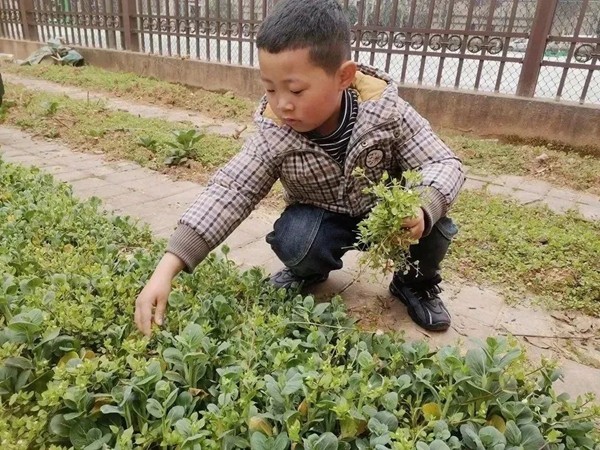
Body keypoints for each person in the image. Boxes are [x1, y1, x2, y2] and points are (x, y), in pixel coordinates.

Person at [134, 0, 464, 336]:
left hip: (388, 218)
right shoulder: (275, 133)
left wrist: (422, 205)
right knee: (295, 238)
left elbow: (441, 162)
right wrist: (168, 267)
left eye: (295, 90)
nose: (282, 104)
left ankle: (414, 283)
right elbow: (231, 190)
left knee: (434, 224)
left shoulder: (385, 112)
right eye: (270, 89)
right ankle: (308, 270)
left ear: (343, 76)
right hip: (324, 219)